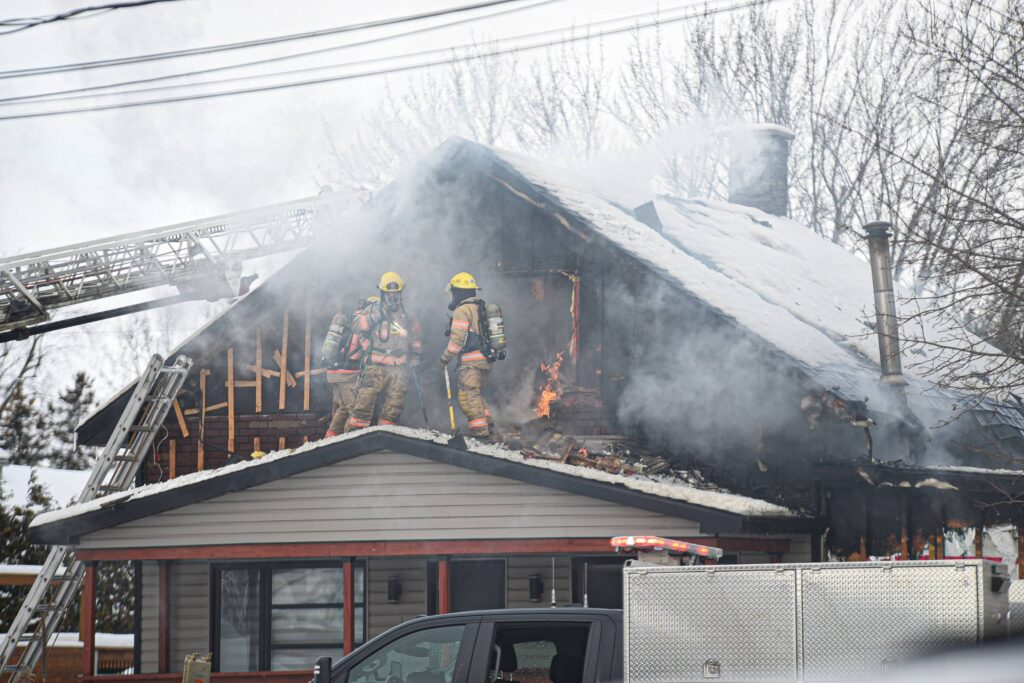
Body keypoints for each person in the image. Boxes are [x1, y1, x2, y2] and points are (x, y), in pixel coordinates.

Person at [344, 272, 422, 431]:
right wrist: (375, 316)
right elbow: (356, 326)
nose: (393, 298)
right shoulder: (372, 309)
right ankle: (354, 438)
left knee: (395, 405)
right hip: (375, 366)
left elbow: (416, 336)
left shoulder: (406, 314)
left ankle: (386, 437)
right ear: (382, 293)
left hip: (399, 367)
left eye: (396, 294)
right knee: (364, 404)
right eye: (389, 294)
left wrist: (415, 356)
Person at [440, 272, 494, 438]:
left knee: (468, 398)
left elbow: (456, 341)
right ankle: (489, 425)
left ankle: (481, 435)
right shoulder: (481, 307)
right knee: (475, 395)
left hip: (471, 363)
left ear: (458, 292)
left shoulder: (462, 310)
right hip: (484, 361)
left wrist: (444, 358)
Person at [321, 296, 377, 438]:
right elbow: (367, 347)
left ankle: (329, 440)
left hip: (334, 372)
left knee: (343, 408)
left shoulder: (350, 319)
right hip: (347, 373)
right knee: (355, 411)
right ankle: (348, 443)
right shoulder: (363, 323)